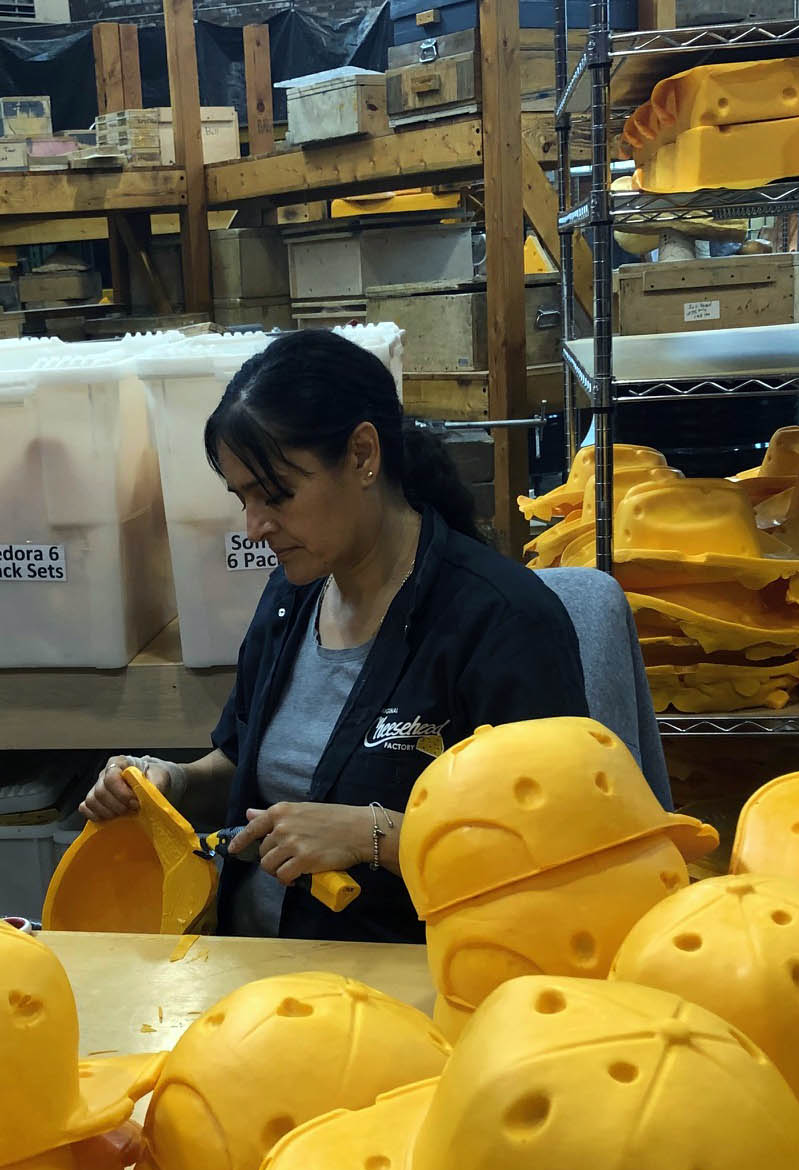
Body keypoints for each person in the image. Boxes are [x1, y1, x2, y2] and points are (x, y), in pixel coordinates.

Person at [78, 329, 592, 943]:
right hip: (254, 964)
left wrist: (377, 837)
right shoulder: (293, 594)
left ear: (362, 455)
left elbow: (555, 852)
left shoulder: (503, 622)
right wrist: (171, 782)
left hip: (407, 982)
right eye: (241, 499)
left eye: (276, 496)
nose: (254, 527)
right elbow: (243, 763)